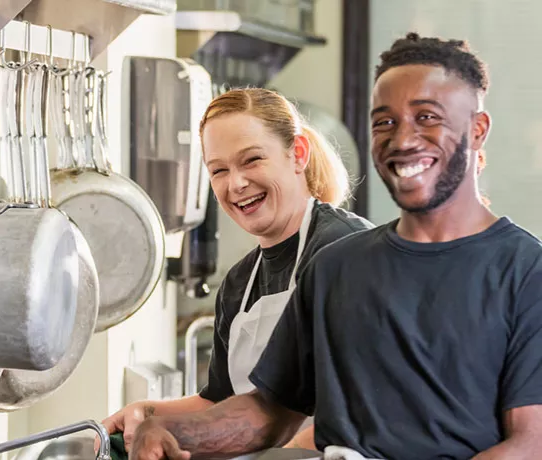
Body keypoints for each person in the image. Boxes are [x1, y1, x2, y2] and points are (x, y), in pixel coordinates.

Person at [127, 33, 542, 460]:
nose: (402, 140)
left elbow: (532, 442)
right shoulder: (336, 268)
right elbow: (269, 412)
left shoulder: (526, 273)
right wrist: (172, 432)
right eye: (385, 122)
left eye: (427, 117)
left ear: (477, 130)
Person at [100, 87, 373, 453]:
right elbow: (221, 401)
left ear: (298, 154)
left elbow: (359, 407)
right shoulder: (240, 282)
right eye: (219, 170)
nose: (236, 184)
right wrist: (148, 412)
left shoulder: (345, 250)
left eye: (252, 160)